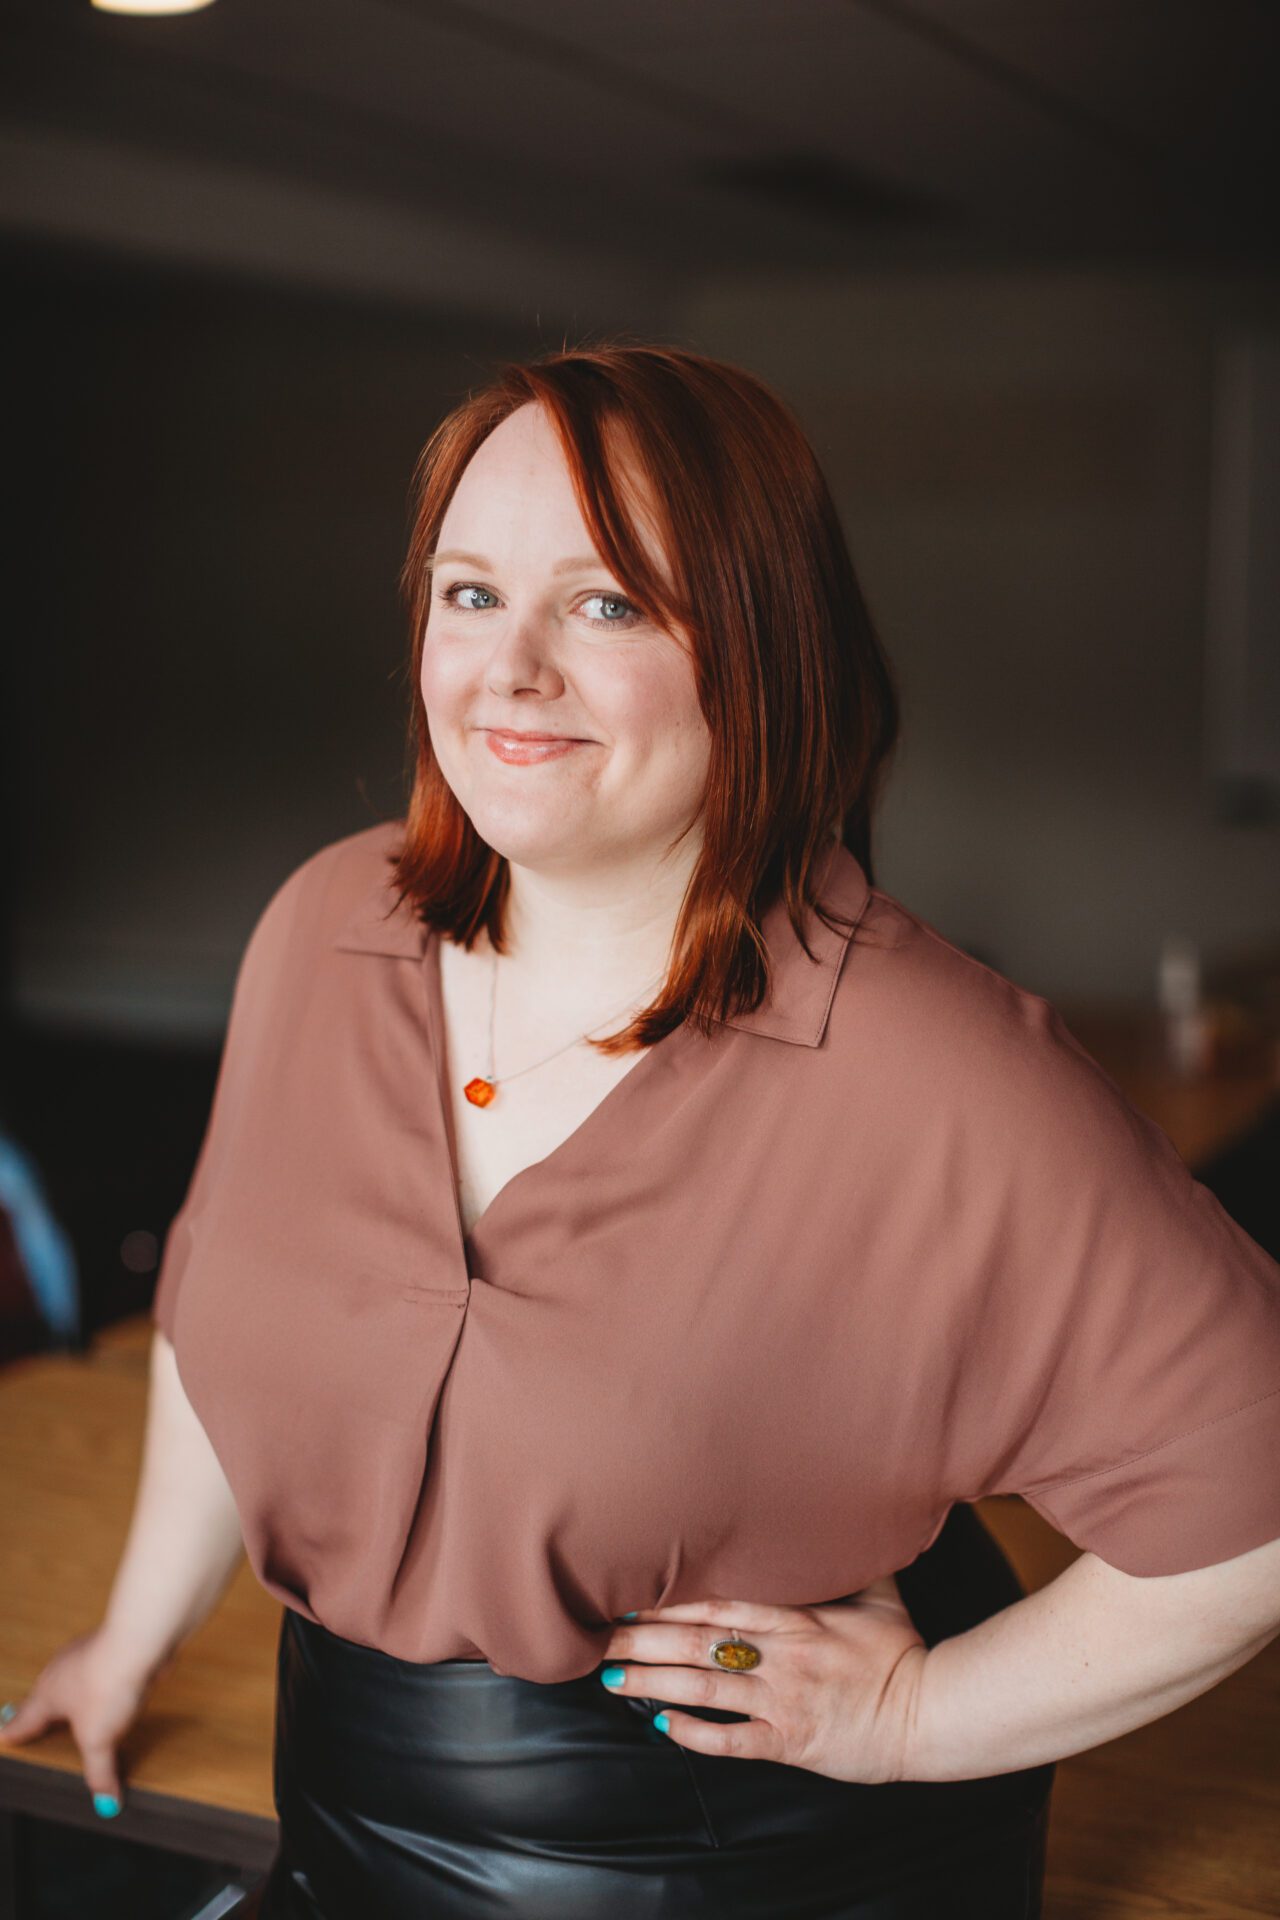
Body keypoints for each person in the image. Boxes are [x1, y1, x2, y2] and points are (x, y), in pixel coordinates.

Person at [4, 343, 1280, 1919]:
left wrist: (912, 1720)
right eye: (469, 594)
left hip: (732, 1862)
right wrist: (134, 1634)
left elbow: (1254, 1510)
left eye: (606, 605)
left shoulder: (936, 1070)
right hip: (337, 1816)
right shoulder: (323, 925)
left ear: (762, 652)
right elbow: (218, 1314)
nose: (510, 667)